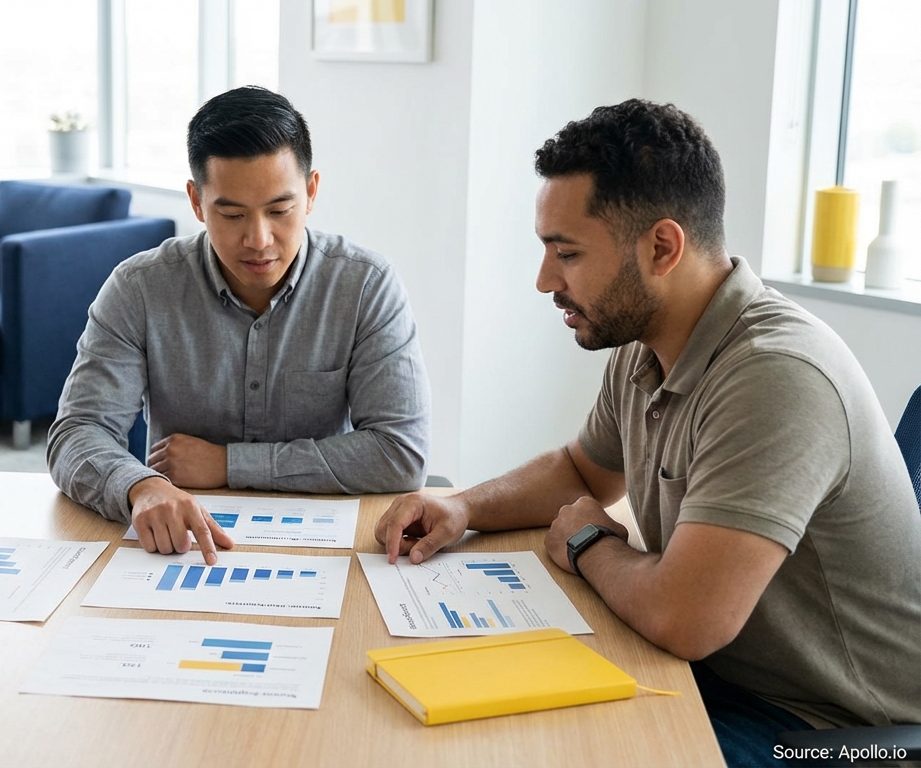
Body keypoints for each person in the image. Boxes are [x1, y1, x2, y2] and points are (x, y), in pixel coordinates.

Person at [375, 99, 921, 766]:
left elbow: (684, 618)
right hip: (719, 676)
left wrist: (587, 541)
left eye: (566, 253)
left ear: (662, 247)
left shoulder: (776, 377)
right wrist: (463, 506)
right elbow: (581, 473)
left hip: (827, 727)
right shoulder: (648, 344)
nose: (545, 279)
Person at [48, 86, 430, 564]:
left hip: (325, 549)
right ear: (195, 201)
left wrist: (230, 464)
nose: (259, 239)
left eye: (279, 210)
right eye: (230, 214)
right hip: (181, 550)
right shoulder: (140, 287)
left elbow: (399, 454)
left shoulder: (365, 286)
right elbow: (77, 431)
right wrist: (141, 486)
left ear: (311, 192)